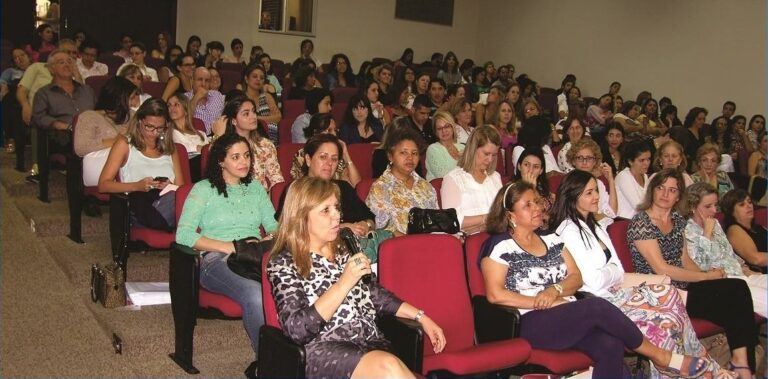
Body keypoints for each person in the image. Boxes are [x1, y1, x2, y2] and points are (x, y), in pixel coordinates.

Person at [481, 180, 710, 379]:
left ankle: (659, 357)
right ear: (510, 215)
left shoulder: (551, 239)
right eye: (527, 205)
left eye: (537, 202)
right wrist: (543, 300)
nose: (537, 208)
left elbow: (576, 277)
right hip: (531, 321)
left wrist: (555, 290)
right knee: (596, 307)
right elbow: (495, 294)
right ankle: (660, 355)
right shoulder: (500, 245)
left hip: (567, 314)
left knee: (611, 345)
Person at [552, 171, 731, 379]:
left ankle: (701, 367)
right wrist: (612, 273)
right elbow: (592, 281)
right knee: (664, 322)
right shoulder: (568, 230)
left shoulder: (595, 226)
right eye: (589, 193)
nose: (596, 197)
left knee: (669, 293)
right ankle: (700, 371)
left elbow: (618, 270)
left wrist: (612, 273)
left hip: (618, 293)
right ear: (573, 196)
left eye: (596, 191)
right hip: (600, 303)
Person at [267, 176, 445, 378]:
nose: (337, 217)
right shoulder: (284, 262)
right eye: (326, 210)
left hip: (370, 342)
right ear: (301, 217)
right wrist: (343, 283)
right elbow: (297, 330)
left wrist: (421, 317)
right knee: (388, 368)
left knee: (389, 364)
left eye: (336, 207)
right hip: (324, 351)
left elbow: (373, 293)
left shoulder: (344, 247)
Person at [628, 169, 759, 379]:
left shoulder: (677, 221)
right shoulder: (641, 223)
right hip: (661, 292)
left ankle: (742, 363)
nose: (665, 194)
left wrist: (710, 276)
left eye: (672, 190)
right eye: (661, 188)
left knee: (736, 287)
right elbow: (661, 269)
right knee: (733, 298)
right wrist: (706, 277)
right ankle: (743, 368)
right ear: (652, 190)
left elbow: (685, 261)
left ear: (679, 196)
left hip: (684, 286)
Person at [176, 132, 277, 358]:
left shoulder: (255, 189)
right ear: (220, 160)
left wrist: (268, 238)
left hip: (253, 256)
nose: (244, 162)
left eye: (247, 156)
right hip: (215, 260)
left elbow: (274, 226)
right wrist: (229, 246)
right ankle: (269, 362)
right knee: (255, 294)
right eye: (235, 157)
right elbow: (183, 235)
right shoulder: (203, 189)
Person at [97, 99, 185, 231]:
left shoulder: (170, 149)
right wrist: (137, 186)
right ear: (139, 122)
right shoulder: (125, 145)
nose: (155, 132)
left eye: (160, 128)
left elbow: (181, 189)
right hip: (140, 208)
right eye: (149, 127)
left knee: (192, 195)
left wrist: (169, 186)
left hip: (167, 203)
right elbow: (103, 185)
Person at [685, 183, 767, 317]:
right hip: (727, 285)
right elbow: (701, 266)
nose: (714, 211)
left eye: (715, 205)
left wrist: (745, 268)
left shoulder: (715, 223)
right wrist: (706, 234)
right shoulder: (687, 230)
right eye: (708, 206)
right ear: (693, 207)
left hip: (741, 274)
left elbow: (728, 253)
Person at [275, 134, 375, 238]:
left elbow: (370, 218)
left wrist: (366, 225)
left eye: (334, 159)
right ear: (308, 160)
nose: (329, 163)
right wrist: (340, 228)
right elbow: (288, 227)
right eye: (323, 157)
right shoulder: (296, 190)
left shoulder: (344, 188)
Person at [366, 127, 437, 236]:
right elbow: (384, 229)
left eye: (414, 153)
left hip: (432, 244)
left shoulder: (427, 187)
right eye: (403, 153)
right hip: (400, 248)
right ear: (390, 156)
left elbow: (437, 222)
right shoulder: (380, 188)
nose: (410, 158)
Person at [74, 76, 137, 194]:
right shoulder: (89, 116)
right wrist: (116, 142)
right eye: (131, 98)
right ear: (119, 98)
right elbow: (80, 148)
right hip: (100, 166)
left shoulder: (132, 116)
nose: (134, 103)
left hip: (128, 164)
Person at [33, 48, 96, 156]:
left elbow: (99, 111)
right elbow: (40, 117)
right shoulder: (44, 93)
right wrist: (60, 125)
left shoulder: (87, 90)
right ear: (51, 69)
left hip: (93, 133)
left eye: (69, 62)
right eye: (61, 62)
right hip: (65, 135)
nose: (67, 65)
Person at [214, 96, 282, 193]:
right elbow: (215, 174)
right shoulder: (223, 146)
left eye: (254, 111)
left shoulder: (265, 145)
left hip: (260, 200)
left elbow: (276, 179)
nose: (253, 116)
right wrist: (218, 136)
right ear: (233, 121)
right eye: (246, 114)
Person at [441, 125, 501, 234]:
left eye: (494, 155)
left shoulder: (495, 177)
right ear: (473, 149)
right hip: (468, 243)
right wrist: (488, 218)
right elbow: (452, 221)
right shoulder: (453, 179)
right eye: (486, 154)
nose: (490, 159)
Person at [291, 113, 360, 187]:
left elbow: (356, 185)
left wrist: (346, 155)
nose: (334, 134)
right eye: (329, 130)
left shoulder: (337, 154)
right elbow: (300, 186)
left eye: (335, 130)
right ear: (316, 132)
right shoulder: (302, 154)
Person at [566, 138, 618, 225]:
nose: (584, 162)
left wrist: (611, 180)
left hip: (603, 226)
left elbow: (612, 212)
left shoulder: (598, 183)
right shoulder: (570, 183)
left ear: (595, 161)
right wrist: (602, 216)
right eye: (580, 158)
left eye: (589, 158)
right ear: (573, 161)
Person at [722, 189, 767, 274]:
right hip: (757, 276)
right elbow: (756, 259)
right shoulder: (734, 229)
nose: (749, 206)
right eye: (742, 204)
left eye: (749, 202)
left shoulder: (759, 227)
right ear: (731, 211)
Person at [168, 93, 208, 182]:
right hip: (191, 167)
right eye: (169, 105)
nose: (171, 108)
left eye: (176, 104)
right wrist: (201, 148)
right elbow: (181, 148)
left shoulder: (201, 133)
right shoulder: (171, 132)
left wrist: (204, 149)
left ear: (186, 110)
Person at [514, 147, 555, 228]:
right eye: (526, 165)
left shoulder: (544, 190)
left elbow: (554, 217)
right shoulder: (511, 190)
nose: (530, 170)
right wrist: (530, 188)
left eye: (536, 167)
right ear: (519, 166)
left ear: (541, 170)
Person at [241, 63, 281, 143]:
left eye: (262, 78)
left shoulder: (267, 97)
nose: (258, 79)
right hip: (244, 140)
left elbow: (278, 117)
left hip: (268, 141)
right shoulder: (240, 98)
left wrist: (256, 118)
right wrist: (267, 119)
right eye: (255, 76)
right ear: (246, 79)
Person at [615, 141, 652, 219]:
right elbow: (638, 206)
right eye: (642, 160)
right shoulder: (623, 176)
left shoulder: (645, 176)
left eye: (648, 159)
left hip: (642, 221)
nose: (646, 163)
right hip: (624, 222)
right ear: (630, 161)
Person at [185, 67, 225, 135]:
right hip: (195, 138)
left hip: (217, 138)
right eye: (200, 79)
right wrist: (196, 97)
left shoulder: (217, 95)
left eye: (207, 81)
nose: (203, 84)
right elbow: (184, 120)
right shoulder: (184, 98)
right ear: (192, 81)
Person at [425, 111, 463, 181]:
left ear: (452, 127)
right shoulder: (433, 149)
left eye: (447, 126)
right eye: (439, 128)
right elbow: (444, 177)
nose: (444, 131)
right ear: (436, 132)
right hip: (441, 189)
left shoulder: (462, 147)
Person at [670, 107, 707, 171]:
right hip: (688, 164)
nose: (702, 121)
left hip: (699, 163)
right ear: (693, 119)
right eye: (699, 119)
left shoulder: (701, 134)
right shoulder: (684, 133)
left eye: (704, 119)